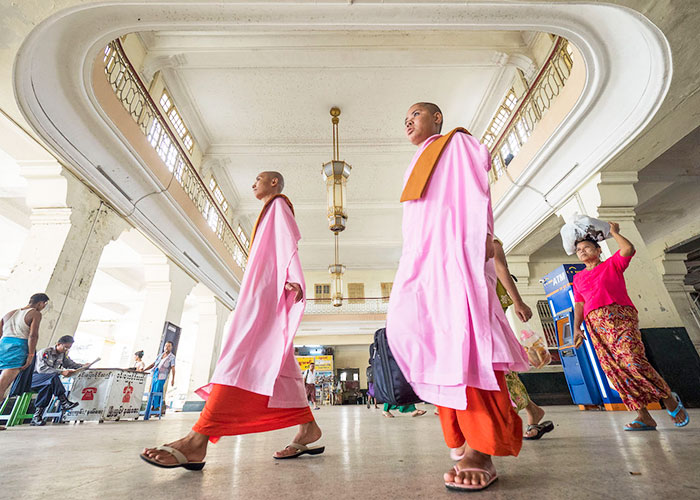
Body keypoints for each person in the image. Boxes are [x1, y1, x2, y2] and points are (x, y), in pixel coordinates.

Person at [386, 103, 529, 491]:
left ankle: (482, 448)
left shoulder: (456, 143)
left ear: (437, 120)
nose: (408, 119)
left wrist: (477, 237)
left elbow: (473, 192)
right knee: (425, 340)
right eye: (405, 116)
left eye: (416, 114)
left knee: (466, 345)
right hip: (423, 261)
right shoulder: (418, 159)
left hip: (455, 257)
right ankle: (462, 436)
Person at [141, 171, 324, 470]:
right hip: (259, 288)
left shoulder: (278, 205)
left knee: (240, 354)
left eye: (259, 179)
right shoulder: (267, 212)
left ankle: (197, 439)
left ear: (275, 182)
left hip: (266, 292)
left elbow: (288, 244)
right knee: (276, 358)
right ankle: (308, 428)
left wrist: (290, 278)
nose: (253, 183)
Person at [573, 223, 689, 431]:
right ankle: (643, 416)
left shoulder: (611, 265)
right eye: (579, 250)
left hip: (620, 317)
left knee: (633, 360)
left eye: (587, 248)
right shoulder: (578, 277)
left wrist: (614, 233)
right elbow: (579, 304)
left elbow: (628, 250)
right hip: (596, 327)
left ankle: (667, 397)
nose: (582, 251)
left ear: (599, 250)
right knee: (615, 370)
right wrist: (576, 328)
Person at [493, 239, 554, 441]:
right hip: (468, 311)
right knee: (494, 369)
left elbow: (501, 269)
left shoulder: (489, 239)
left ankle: (506, 418)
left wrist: (518, 302)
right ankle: (530, 410)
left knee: (497, 367)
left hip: (487, 310)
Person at [0, 293, 49, 430]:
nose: (44, 307)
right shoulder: (35, 313)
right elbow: (33, 335)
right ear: (41, 303)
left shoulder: (10, 313)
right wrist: (31, 354)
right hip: (18, 348)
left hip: (3, 346)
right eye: (44, 305)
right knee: (2, 385)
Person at [30, 335, 87, 426]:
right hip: (33, 378)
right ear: (58, 344)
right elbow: (42, 369)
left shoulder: (63, 355)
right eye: (65, 347)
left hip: (47, 381)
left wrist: (83, 366)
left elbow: (70, 364)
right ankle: (64, 401)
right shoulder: (45, 352)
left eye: (69, 348)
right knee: (53, 377)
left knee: (48, 386)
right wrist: (61, 372)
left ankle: (37, 417)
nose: (66, 349)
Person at [143, 342, 176, 414]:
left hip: (162, 376)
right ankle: (153, 406)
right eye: (166, 346)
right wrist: (145, 370)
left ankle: (156, 407)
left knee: (157, 390)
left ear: (171, 348)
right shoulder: (160, 355)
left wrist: (173, 379)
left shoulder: (172, 357)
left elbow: (173, 368)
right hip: (155, 373)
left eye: (169, 346)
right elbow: (153, 364)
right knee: (153, 390)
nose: (167, 347)